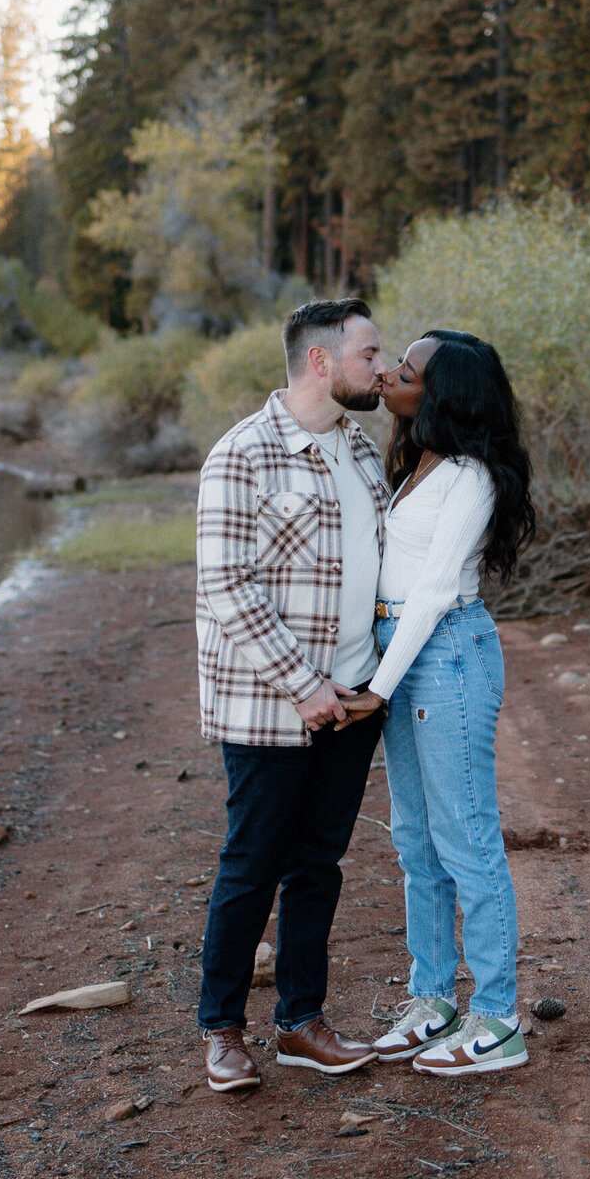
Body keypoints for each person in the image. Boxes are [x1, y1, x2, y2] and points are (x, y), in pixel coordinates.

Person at [195, 298, 391, 1092]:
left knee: (320, 864)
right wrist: (303, 685)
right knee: (252, 862)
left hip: (353, 704)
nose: (381, 368)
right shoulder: (241, 455)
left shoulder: (365, 455)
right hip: (268, 703)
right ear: (321, 361)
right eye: (369, 353)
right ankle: (221, 1030)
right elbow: (226, 585)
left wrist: (375, 678)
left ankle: (302, 1021)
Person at [339, 329, 536, 1076]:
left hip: (446, 652)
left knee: (468, 841)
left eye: (409, 372)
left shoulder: (472, 476)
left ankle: (498, 1017)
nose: (390, 374)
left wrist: (378, 688)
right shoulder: (417, 464)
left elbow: (429, 592)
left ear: (444, 394)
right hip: (403, 652)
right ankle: (433, 1000)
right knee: (415, 843)